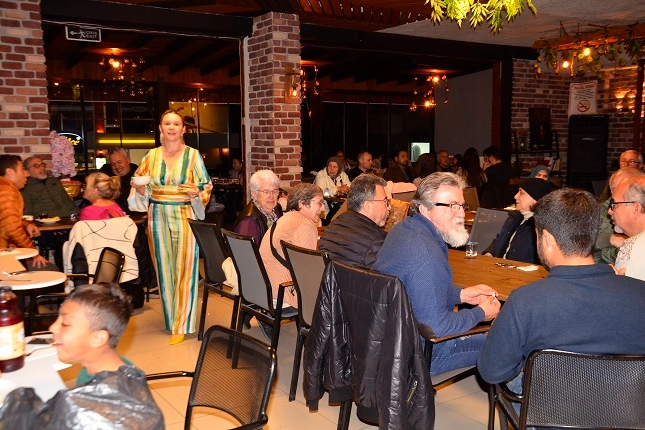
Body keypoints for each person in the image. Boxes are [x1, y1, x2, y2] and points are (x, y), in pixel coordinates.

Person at [477, 189, 645, 396]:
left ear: (546, 238)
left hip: (547, 411)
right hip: (626, 410)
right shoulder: (640, 293)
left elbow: (492, 372)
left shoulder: (525, 301)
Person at [374, 172, 500, 375]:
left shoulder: (403, 229)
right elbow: (437, 328)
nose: (461, 214)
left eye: (462, 205)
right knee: (507, 345)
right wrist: (481, 313)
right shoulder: (426, 252)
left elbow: (415, 291)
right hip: (421, 354)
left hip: (389, 342)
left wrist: (461, 295)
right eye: (452, 205)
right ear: (425, 209)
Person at [0, 283, 164, 428]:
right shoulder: (125, 373)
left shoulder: (81, 412)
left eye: (65, 323)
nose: (52, 328)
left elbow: (22, 422)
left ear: (98, 338)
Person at [128, 109, 212, 345]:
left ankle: (182, 324)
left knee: (185, 267)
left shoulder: (193, 155)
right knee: (164, 268)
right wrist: (141, 188)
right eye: (167, 124)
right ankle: (171, 318)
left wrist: (197, 192)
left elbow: (206, 185)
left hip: (184, 213)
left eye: (176, 124)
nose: (172, 128)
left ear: (183, 129)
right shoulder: (151, 156)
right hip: (157, 215)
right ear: (160, 128)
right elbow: (139, 184)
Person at [259, 183, 323, 310]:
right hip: (282, 294)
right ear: (302, 203)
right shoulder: (306, 225)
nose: (323, 208)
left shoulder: (285, 218)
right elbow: (307, 271)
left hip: (263, 288)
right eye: (319, 203)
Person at [21, 156, 79, 270]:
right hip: (45, 229)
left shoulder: (54, 182)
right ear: (27, 171)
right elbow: (28, 214)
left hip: (66, 224)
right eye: (36, 166)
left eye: (42, 165)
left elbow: (69, 203)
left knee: (80, 237)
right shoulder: (26, 188)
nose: (42, 168)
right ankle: (66, 272)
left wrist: (78, 217)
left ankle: (79, 271)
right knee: (63, 242)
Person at [319, 174, 389, 268]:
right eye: (385, 201)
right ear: (367, 206)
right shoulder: (377, 240)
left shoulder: (333, 226)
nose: (389, 207)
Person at [483, 178, 554, 264]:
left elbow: (538, 261)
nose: (515, 196)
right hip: (498, 267)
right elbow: (499, 240)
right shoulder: (514, 217)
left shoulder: (542, 226)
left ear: (536, 199)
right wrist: (489, 253)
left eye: (521, 193)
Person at [0, 154, 52, 270]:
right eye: (22, 169)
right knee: (49, 270)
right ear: (10, 172)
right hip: (3, 257)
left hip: (5, 254)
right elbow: (12, 229)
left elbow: (6, 218)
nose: (27, 174)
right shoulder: (7, 190)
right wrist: (33, 253)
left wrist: (26, 224)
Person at [593, 167, 644, 264]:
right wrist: (609, 239)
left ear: (636, 208)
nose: (609, 211)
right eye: (613, 189)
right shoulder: (602, 208)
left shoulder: (638, 250)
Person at [234, 169, 283, 245]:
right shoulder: (249, 221)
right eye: (266, 192)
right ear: (254, 194)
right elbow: (248, 250)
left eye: (274, 191)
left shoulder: (277, 209)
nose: (271, 196)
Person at [611, 176, 645, 280]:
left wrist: (611, 281)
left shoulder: (632, 247)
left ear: (636, 209)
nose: (610, 211)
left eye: (614, 204)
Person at [99, 148, 138, 214]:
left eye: (119, 162)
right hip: (109, 215)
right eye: (113, 164)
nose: (117, 166)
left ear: (128, 160)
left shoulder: (138, 174)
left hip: (135, 215)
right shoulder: (105, 175)